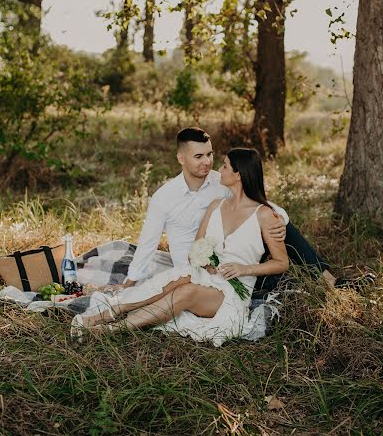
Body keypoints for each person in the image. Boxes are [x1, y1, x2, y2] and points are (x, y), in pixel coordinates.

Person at [72, 148, 289, 346]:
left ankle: (111, 331)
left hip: (233, 291)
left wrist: (245, 269)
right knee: (174, 279)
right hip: (207, 275)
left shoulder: (266, 215)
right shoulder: (216, 206)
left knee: (186, 290)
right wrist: (204, 261)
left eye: (224, 166)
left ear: (238, 174)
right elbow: (197, 246)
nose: (218, 169)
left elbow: (281, 263)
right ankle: (105, 314)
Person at [120, 127, 336, 294]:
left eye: (210, 154)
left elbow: (256, 203)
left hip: (232, 255)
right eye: (198, 156)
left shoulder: (221, 181)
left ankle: (329, 281)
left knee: (282, 227)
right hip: (196, 264)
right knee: (265, 275)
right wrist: (129, 283)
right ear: (181, 158)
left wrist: (280, 220)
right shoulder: (164, 197)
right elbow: (147, 243)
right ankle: (284, 285)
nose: (207, 162)